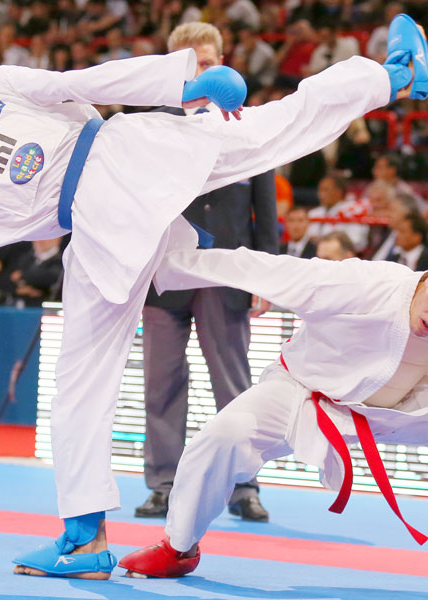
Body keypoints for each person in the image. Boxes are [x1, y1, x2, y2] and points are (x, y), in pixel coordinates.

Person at [0, 14, 428, 580]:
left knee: (81, 380)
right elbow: (80, 82)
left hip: (99, 228)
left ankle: (85, 537)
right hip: (133, 153)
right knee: (271, 129)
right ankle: (394, 76)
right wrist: (181, 85)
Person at [120, 250, 428, 599]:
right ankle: (178, 547)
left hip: (417, 410)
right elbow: (267, 268)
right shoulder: (362, 284)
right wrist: (172, 261)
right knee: (225, 433)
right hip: (310, 394)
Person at [136, 22, 277, 523]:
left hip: (226, 267)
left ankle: (244, 486)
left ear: (224, 61)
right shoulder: (150, 124)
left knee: (234, 386)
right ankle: (164, 484)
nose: (204, 70)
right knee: (161, 383)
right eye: (192, 63)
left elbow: (265, 205)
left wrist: (266, 273)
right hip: (164, 270)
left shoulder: (248, 124)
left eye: (210, 60)